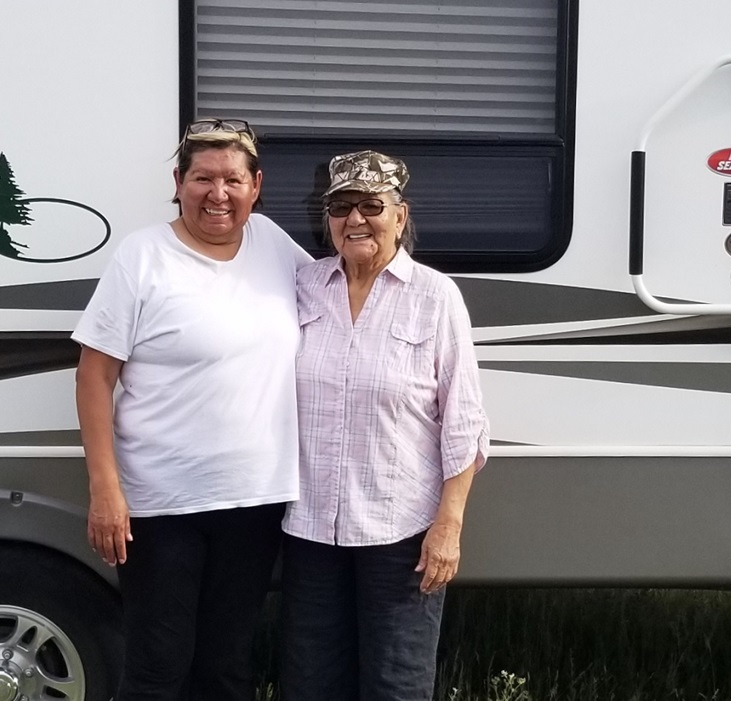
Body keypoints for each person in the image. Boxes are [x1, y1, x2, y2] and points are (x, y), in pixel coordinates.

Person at [72, 118, 313, 701]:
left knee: (227, 668)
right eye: (203, 178)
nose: (218, 194)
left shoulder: (276, 246)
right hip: (161, 505)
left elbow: (344, 293)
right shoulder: (143, 257)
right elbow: (95, 373)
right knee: (158, 667)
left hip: (253, 501)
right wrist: (106, 488)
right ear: (179, 182)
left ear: (257, 185)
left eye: (233, 179)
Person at [280, 150, 489, 701]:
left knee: (395, 685)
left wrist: (449, 525)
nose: (355, 219)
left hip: (401, 534)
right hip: (310, 527)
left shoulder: (435, 296)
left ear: (400, 215)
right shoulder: (302, 286)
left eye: (371, 205)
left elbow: (464, 421)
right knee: (310, 684)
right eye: (341, 205)